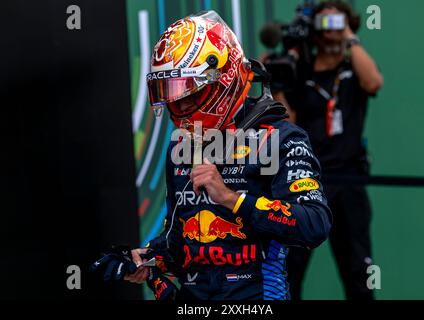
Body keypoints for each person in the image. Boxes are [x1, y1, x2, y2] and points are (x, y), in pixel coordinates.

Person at [91, 10, 332, 300]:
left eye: (188, 94)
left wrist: (231, 198)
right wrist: (145, 259)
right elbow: (181, 243)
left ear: (223, 79)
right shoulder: (181, 148)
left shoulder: (281, 139)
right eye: (172, 95)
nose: (179, 106)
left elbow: (314, 225)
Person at [270, 1, 383, 300]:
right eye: (325, 23)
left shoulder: (353, 68)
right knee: (290, 267)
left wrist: (348, 34)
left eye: (338, 22)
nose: (331, 29)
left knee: (358, 267)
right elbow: (286, 121)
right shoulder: (299, 71)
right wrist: (277, 82)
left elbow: (373, 82)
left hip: (349, 180)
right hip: (305, 178)